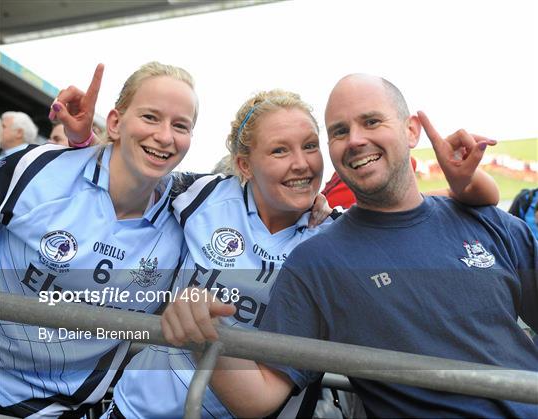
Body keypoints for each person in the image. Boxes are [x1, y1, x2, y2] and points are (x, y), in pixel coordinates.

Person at [58, 69, 498, 418]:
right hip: (138, 409)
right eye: (280, 151)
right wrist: (83, 141)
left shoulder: (334, 233)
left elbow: (426, 207)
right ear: (245, 165)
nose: (302, 164)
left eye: (310, 146)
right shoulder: (201, 196)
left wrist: (472, 183)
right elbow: (131, 178)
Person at [162, 74, 537, 418]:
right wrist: (201, 329)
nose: (356, 139)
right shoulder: (317, 260)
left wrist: (469, 185)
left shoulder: (489, 221)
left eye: (371, 122)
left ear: (411, 130)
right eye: (339, 131)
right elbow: (259, 396)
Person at [0, 61, 197, 417]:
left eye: (180, 125)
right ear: (116, 123)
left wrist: (313, 205)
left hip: (59, 412)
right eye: (151, 117)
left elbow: (258, 191)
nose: (166, 136)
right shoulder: (35, 168)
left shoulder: (189, 218)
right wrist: (84, 143)